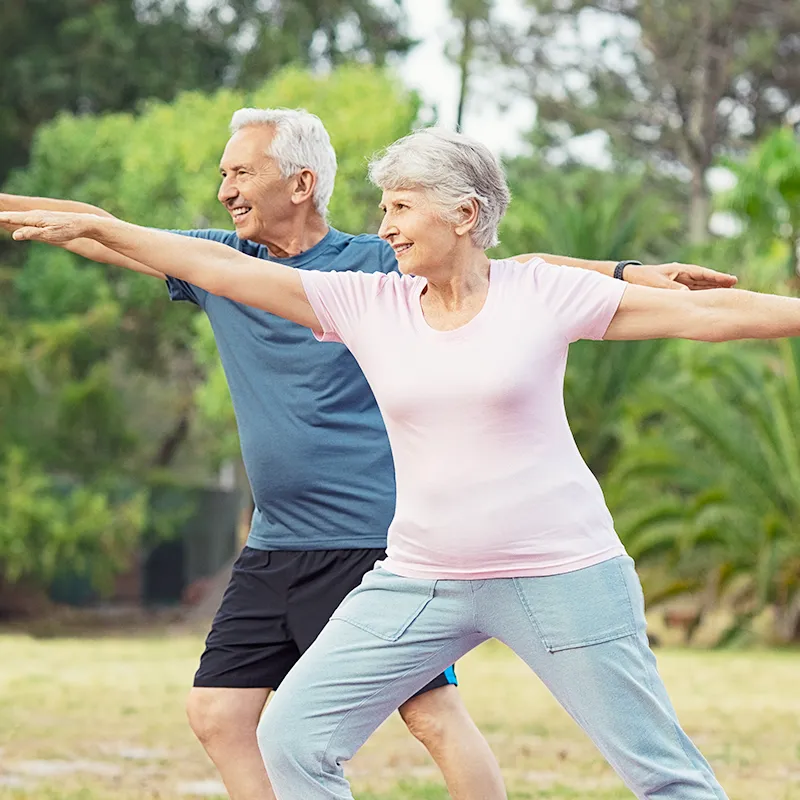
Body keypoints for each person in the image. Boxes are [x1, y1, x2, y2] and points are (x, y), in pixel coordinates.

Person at [0, 117, 739, 800]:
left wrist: (627, 272)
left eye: (241, 174)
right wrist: (43, 216)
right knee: (222, 713)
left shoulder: (375, 268)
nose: (225, 190)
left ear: (301, 183)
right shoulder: (222, 263)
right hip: (278, 537)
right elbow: (107, 233)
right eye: (221, 175)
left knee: (430, 716)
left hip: (373, 538)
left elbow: (512, 267)